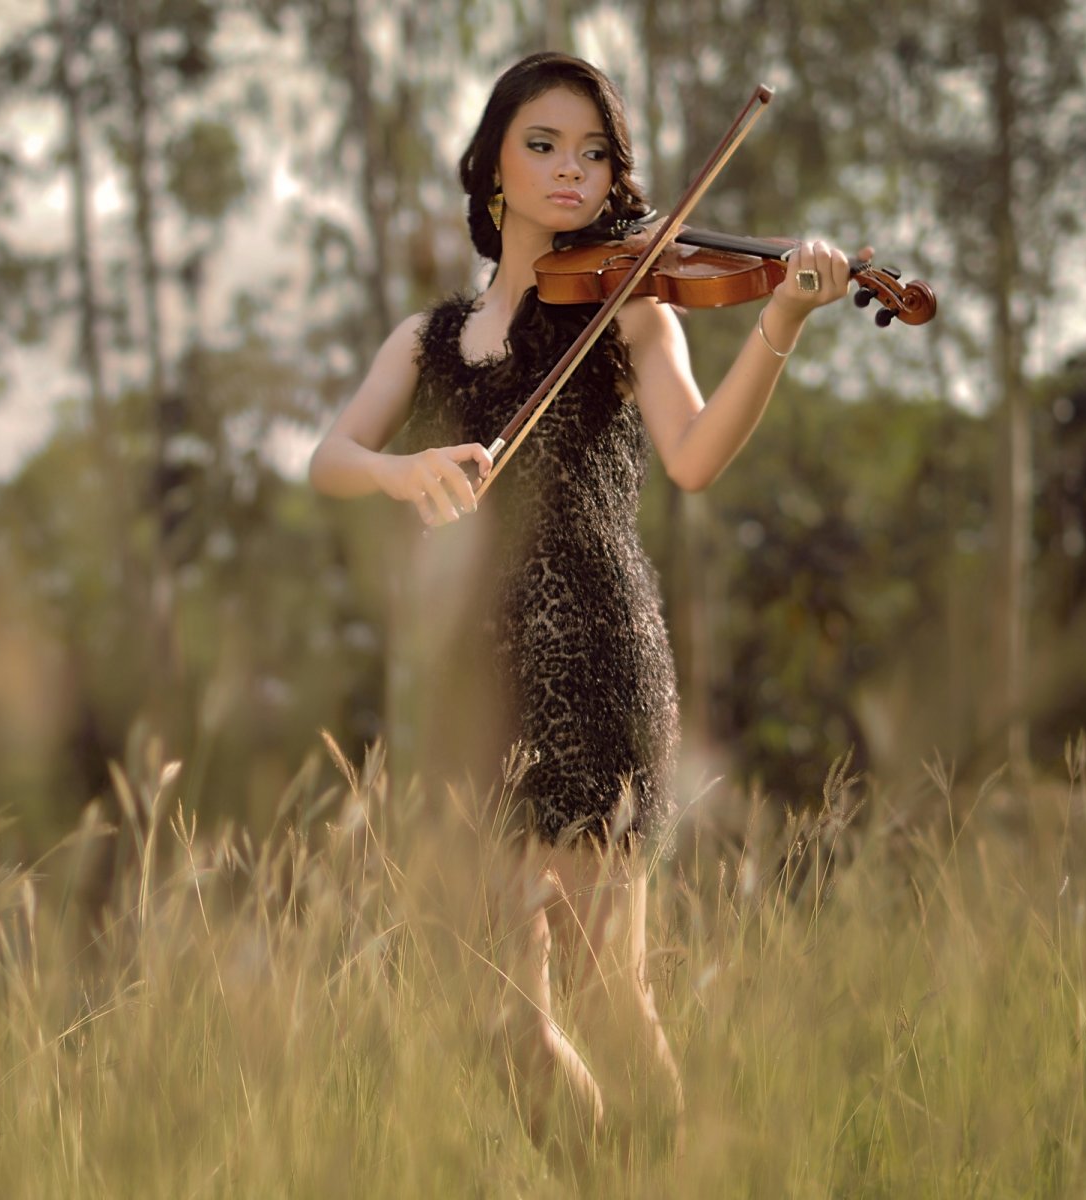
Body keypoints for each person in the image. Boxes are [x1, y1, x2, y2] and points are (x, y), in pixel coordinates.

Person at [307, 52, 863, 1149]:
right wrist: (395, 473)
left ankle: (662, 1175)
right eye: (544, 145)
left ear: (616, 178)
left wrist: (782, 324)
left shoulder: (631, 311)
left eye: (595, 152)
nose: (572, 170)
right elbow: (330, 456)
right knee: (493, 1010)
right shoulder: (425, 341)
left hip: (598, 657)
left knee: (611, 991)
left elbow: (697, 456)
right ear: (492, 173)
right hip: (471, 681)